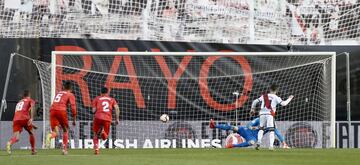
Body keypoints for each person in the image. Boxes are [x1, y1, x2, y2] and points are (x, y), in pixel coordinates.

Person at [250, 84, 294, 150]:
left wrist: (252, 109)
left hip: (262, 114)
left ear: (270, 89)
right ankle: (271, 146)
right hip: (270, 114)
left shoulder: (264, 96)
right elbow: (284, 104)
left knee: (261, 128)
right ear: (277, 90)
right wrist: (290, 98)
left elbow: (255, 101)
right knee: (271, 130)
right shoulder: (276, 97)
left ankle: (259, 141)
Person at [209, 117, 289, 148]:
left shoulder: (271, 125)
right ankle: (214, 126)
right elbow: (248, 125)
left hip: (253, 137)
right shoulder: (260, 119)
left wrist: (283, 142)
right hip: (247, 131)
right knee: (234, 128)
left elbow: (277, 133)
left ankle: (233, 145)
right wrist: (253, 127)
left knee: (251, 142)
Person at [45, 81, 77, 155]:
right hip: (61, 111)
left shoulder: (58, 93)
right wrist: (74, 119)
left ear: (63, 87)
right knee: (65, 130)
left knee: (56, 132)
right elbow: (73, 107)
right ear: (71, 88)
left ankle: (49, 136)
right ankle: (64, 149)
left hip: (52, 111)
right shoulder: (70, 94)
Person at [6, 90, 37, 155]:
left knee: (16, 138)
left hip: (16, 119)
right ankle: (33, 150)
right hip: (25, 118)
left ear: (23, 96)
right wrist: (31, 118)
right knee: (31, 133)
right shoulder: (30, 100)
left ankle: (9, 142)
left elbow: (18, 113)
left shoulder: (19, 102)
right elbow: (32, 107)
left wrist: (32, 124)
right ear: (29, 95)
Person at [92, 87, 120, 155]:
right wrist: (117, 119)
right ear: (108, 92)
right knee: (105, 137)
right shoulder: (112, 99)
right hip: (107, 118)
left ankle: (96, 149)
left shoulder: (96, 99)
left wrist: (96, 109)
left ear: (101, 92)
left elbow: (93, 110)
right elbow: (117, 108)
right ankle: (102, 132)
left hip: (98, 117)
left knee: (95, 134)